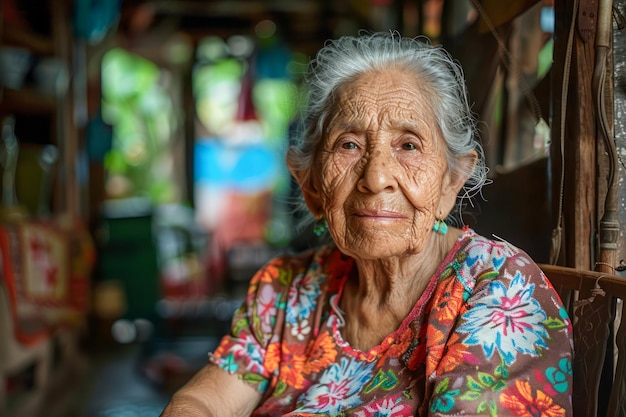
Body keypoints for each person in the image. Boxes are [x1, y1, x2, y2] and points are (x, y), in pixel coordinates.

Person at [161, 31, 573, 416]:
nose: (376, 178)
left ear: (450, 184)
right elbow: (202, 401)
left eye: (408, 145)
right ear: (311, 187)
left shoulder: (501, 291)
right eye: (349, 145)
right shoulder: (285, 293)